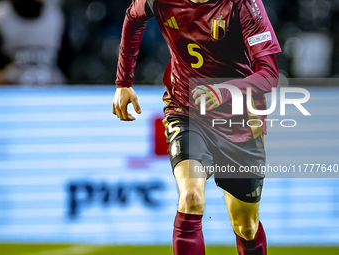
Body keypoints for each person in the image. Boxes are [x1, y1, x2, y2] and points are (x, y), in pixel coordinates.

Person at [113, 0, 281, 254]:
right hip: (185, 109)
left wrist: (225, 91)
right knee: (191, 198)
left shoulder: (244, 4)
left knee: (246, 225)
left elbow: (269, 73)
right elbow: (133, 17)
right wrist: (123, 82)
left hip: (238, 119)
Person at [0, 0, 65, 85]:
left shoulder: (56, 15)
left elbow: (66, 64)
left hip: (51, 92)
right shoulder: (2, 15)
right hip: (12, 94)